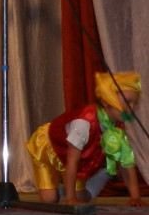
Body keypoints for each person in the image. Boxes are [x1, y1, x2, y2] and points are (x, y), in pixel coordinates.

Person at [26, 71, 144, 207]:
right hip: (47, 148)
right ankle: (63, 189)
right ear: (106, 101)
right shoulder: (83, 124)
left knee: (83, 198)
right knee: (50, 201)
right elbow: (72, 162)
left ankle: (105, 173)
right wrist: (70, 199)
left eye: (135, 103)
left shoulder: (118, 126)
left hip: (70, 155)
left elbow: (126, 163)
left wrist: (135, 197)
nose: (132, 108)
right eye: (128, 102)